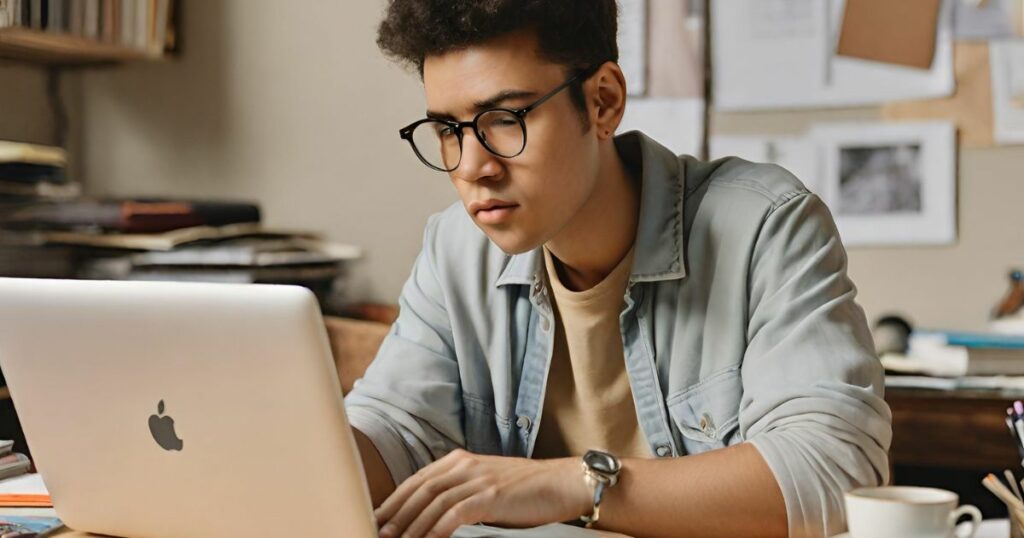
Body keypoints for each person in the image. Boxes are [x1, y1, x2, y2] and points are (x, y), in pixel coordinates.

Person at [344, 2, 892, 537]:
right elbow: (395, 429)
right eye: (447, 130)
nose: (472, 167)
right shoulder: (455, 250)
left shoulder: (764, 225)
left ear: (604, 102)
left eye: (504, 120)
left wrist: (572, 484)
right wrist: (303, 445)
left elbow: (833, 476)